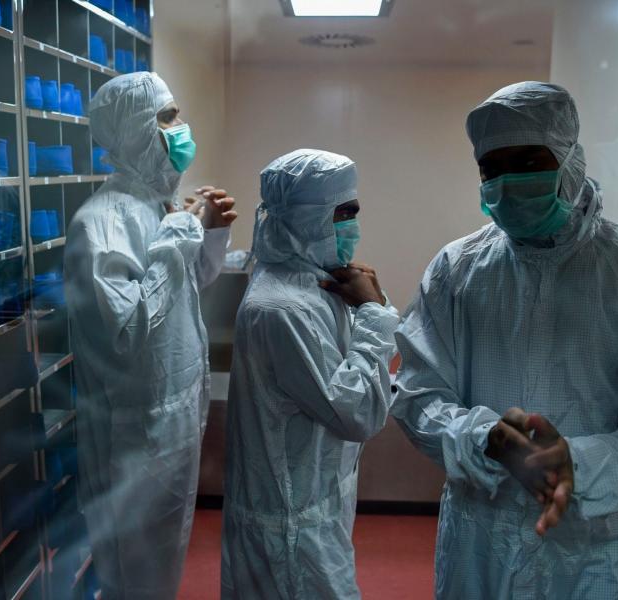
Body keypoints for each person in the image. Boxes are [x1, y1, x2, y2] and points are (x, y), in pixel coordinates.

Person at [392, 81, 618, 599]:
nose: (508, 182)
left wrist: (579, 462)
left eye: (527, 162)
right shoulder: (455, 271)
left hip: (598, 555)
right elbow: (417, 395)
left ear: (571, 161)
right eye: (491, 170)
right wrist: (482, 438)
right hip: (480, 548)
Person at [64, 72, 237, 600]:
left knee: (159, 568)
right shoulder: (100, 224)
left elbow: (185, 288)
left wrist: (209, 235)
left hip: (169, 421)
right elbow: (129, 330)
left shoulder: (155, 204)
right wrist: (182, 233)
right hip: (133, 435)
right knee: (132, 576)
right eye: (168, 118)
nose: (181, 128)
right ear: (136, 130)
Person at [221, 149, 400, 599]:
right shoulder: (282, 307)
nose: (352, 226)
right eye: (343, 214)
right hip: (289, 529)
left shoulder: (314, 284)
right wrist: (375, 314)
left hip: (312, 509)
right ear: (306, 218)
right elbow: (357, 413)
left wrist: (370, 309)